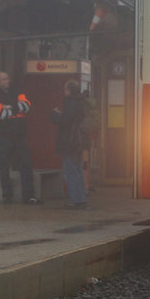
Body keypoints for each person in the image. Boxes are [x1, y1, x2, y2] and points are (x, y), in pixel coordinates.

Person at [0, 71, 37, 204]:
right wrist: (17, 107)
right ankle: (7, 196)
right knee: (3, 167)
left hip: (19, 136)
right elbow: (0, 114)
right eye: (4, 79)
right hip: (4, 137)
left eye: (7, 78)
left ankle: (28, 196)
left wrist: (9, 107)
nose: (7, 81)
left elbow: (27, 106)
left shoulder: (18, 92)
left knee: (26, 164)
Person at [51, 78, 88, 209]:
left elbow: (65, 121)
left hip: (70, 142)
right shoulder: (81, 102)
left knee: (70, 171)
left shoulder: (71, 102)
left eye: (65, 89)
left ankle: (76, 200)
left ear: (68, 91)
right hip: (79, 141)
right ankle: (81, 198)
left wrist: (55, 115)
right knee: (78, 170)